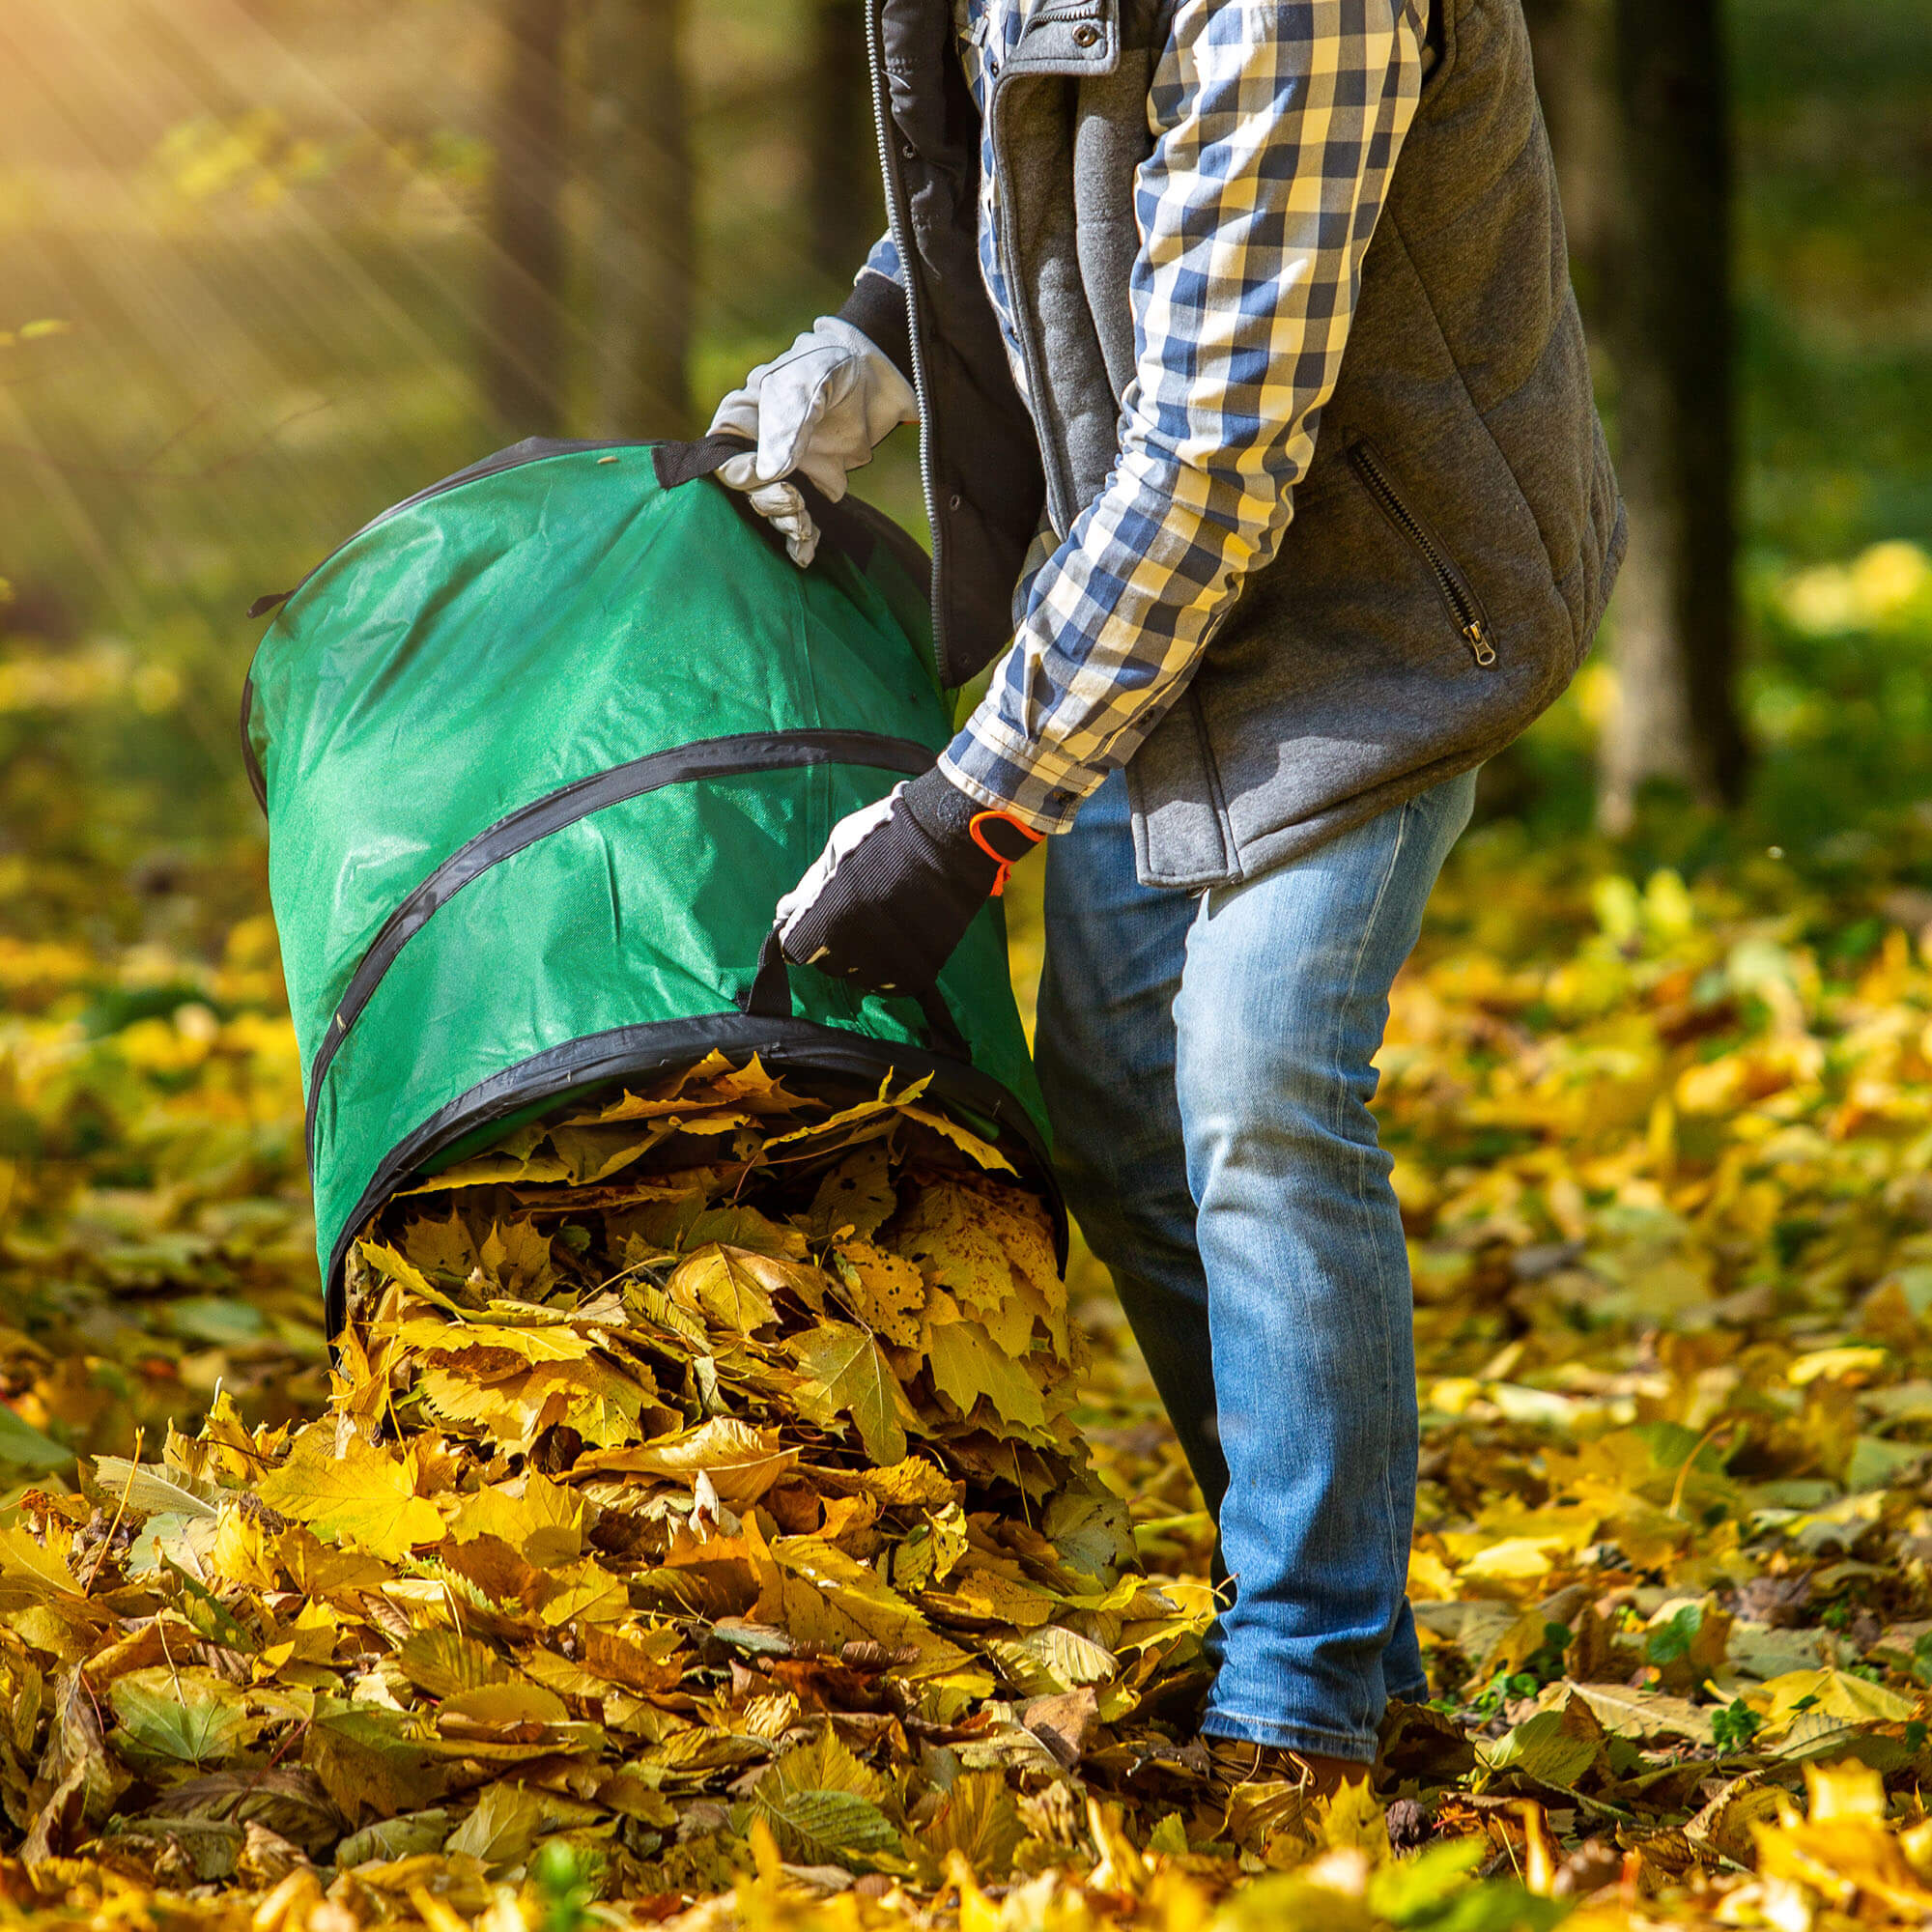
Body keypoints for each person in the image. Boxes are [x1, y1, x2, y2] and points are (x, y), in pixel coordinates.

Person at [711, 0, 1624, 1788]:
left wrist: (964, 816)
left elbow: (1214, 464)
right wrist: (877, 333)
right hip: (1162, 611)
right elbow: (1019, 154)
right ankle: (1361, 1646)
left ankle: (1302, 1702)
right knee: (1125, 1105)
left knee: (1257, 1083)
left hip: (1385, 612)